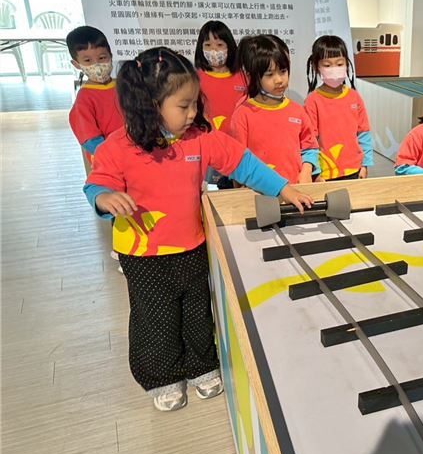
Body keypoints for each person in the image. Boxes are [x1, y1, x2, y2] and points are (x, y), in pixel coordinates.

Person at [83, 47, 313, 411]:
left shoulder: (199, 137)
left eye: (195, 103)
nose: (193, 113)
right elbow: (96, 184)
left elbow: (242, 163)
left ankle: (201, 366)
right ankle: (163, 376)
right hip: (142, 254)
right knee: (155, 317)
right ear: (149, 105)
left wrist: (282, 188)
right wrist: (104, 197)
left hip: (191, 244)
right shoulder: (118, 146)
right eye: (183, 106)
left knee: (196, 311)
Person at [230, 35, 320, 184]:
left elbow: (310, 148)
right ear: (252, 76)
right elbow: (237, 161)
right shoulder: (243, 114)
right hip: (259, 194)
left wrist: (307, 171)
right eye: (270, 74)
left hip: (296, 192)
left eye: (283, 71)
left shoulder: (297, 111)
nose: (279, 80)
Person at [304, 35, 373, 180]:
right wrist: (315, 171)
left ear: (347, 64)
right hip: (326, 173)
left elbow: (363, 133)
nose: (334, 69)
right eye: (327, 65)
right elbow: (310, 140)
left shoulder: (354, 97)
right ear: (317, 67)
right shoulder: (312, 101)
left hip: (354, 169)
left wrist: (365, 164)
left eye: (339, 64)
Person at [194, 20, 247, 188]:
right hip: (209, 151)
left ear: (229, 46)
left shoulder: (243, 77)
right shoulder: (195, 79)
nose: (214, 50)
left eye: (219, 45)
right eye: (208, 45)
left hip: (239, 149)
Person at [67, 25, 124, 173]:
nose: (97, 65)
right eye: (88, 60)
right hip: (109, 162)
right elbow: (90, 139)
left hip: (134, 154)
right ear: (76, 64)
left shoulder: (124, 86)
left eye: (102, 58)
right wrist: (113, 156)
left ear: (110, 55)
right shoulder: (83, 99)